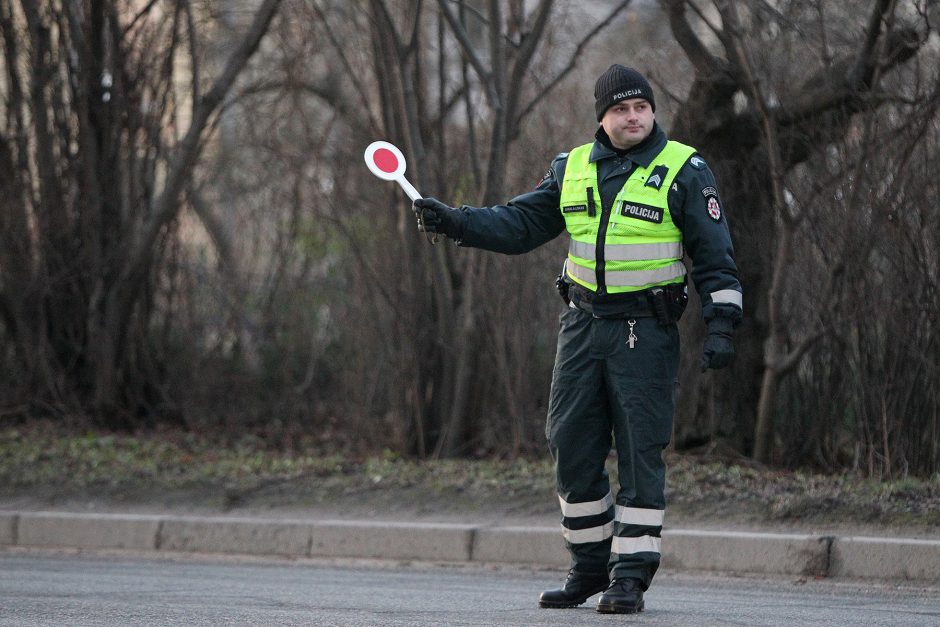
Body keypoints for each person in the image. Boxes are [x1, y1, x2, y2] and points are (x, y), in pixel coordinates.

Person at [412, 64, 743, 614]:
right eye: (620, 109)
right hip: (583, 329)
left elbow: (715, 256)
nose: (632, 117)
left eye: (640, 107)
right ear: (603, 117)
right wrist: (456, 222)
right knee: (569, 443)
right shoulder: (573, 167)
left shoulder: (685, 169)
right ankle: (588, 566)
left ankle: (630, 576)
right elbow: (520, 225)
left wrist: (723, 323)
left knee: (640, 451)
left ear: (652, 111)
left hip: (646, 331)